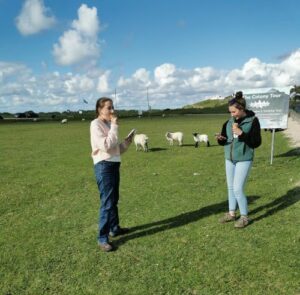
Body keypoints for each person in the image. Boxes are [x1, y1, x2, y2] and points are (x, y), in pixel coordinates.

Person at [90, 97, 133, 251]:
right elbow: (106, 146)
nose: (112, 111)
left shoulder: (109, 124)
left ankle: (114, 228)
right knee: (107, 202)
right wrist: (114, 125)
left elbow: (116, 149)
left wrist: (126, 142)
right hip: (104, 166)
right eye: (109, 108)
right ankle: (102, 238)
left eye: (112, 107)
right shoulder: (95, 124)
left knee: (114, 199)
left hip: (114, 164)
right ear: (99, 109)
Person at [216, 91, 261, 228]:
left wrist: (242, 134)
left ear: (242, 109)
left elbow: (256, 142)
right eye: (230, 112)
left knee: (237, 188)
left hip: (244, 159)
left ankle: (244, 217)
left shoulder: (253, 121)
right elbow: (225, 140)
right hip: (229, 159)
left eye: (234, 112)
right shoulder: (228, 122)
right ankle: (231, 213)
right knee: (230, 187)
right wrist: (220, 139)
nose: (232, 115)